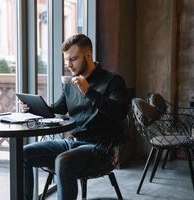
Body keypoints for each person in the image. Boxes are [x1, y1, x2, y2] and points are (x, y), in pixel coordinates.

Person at [23, 34, 128, 200]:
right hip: (73, 143)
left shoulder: (113, 81)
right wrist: (33, 108)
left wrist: (89, 91)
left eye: (73, 59)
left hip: (103, 148)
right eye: (66, 60)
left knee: (64, 161)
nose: (68, 65)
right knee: (24, 154)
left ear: (88, 55)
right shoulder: (70, 84)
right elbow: (56, 109)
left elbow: (119, 113)